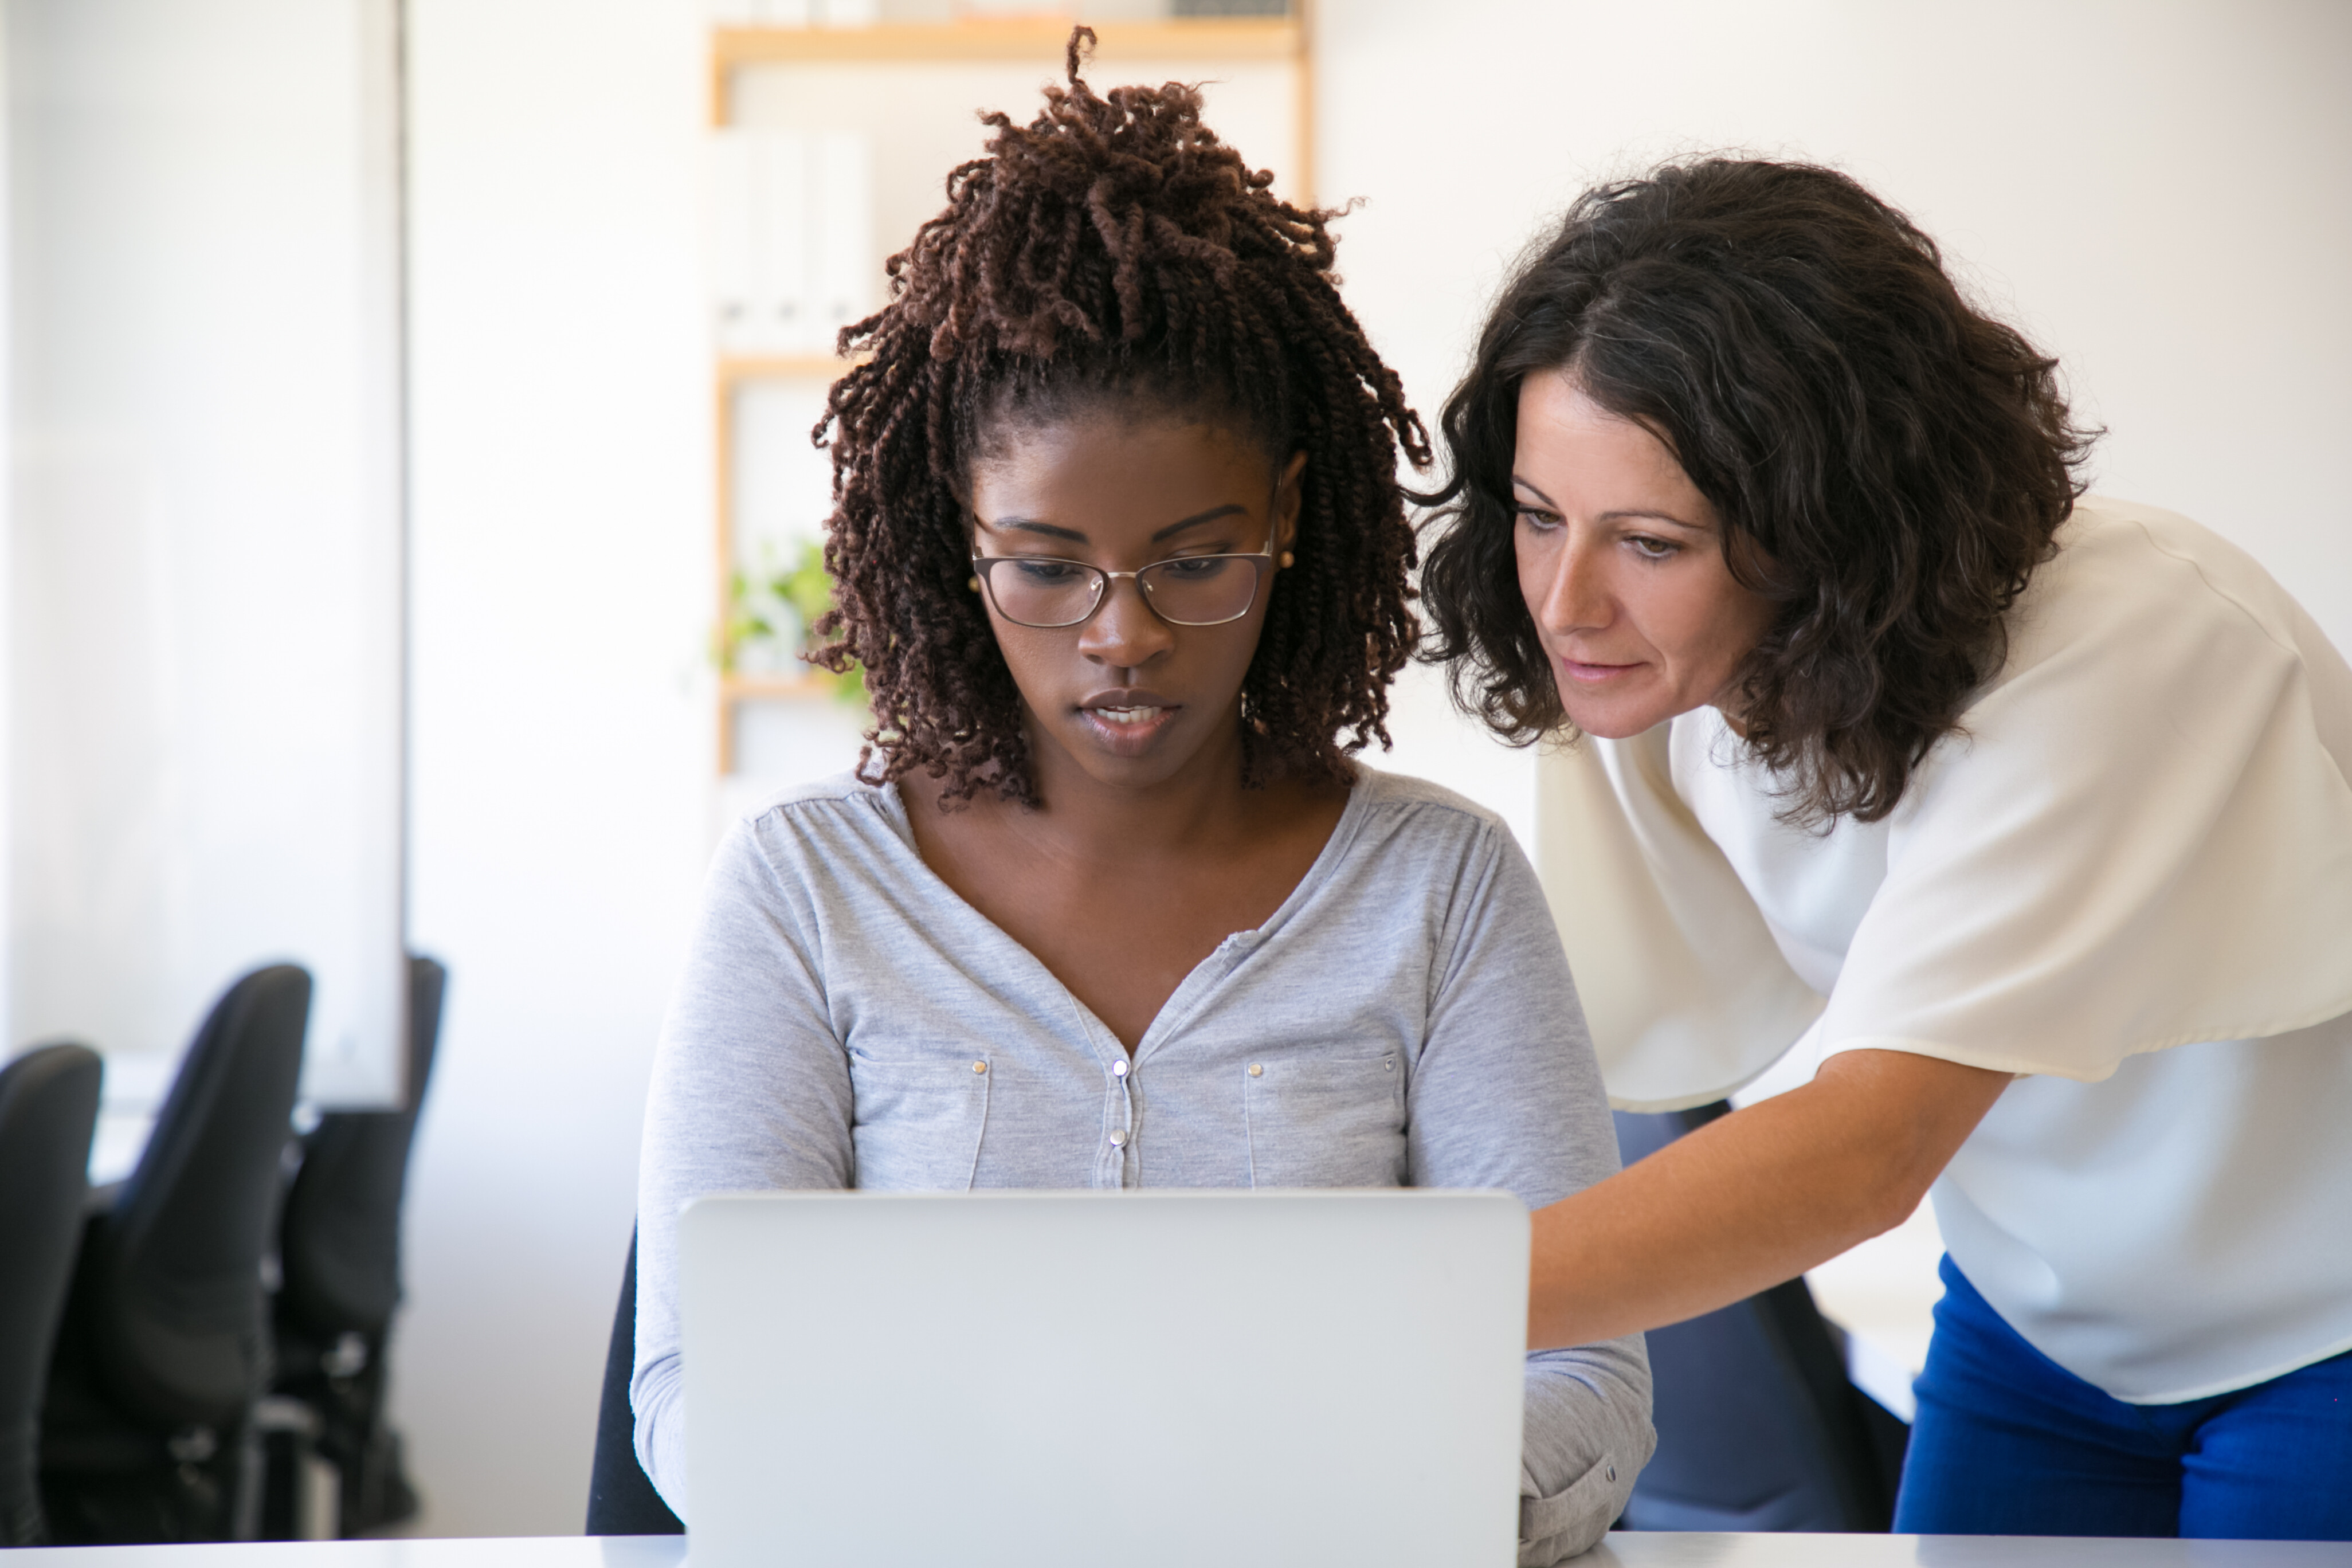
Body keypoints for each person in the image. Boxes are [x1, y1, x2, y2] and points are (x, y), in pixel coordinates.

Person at [632, 40, 1650, 1563]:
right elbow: (695, 1387)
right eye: (1047, 566)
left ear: (1291, 522)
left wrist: (1360, 1503)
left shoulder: (1443, 891)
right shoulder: (803, 893)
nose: (1124, 635)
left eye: (1194, 559)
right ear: (958, 538)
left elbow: (1585, 1377)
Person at [1418, 156, 2352, 1540]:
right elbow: (1615, 1052)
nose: (1565, 600)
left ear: (1833, 526)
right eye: (1540, 516)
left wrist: (1383, 1312)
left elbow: (1865, 1151)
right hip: (2042, 1330)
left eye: (1653, 542)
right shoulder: (1659, 676)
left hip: (2321, 1332)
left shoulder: (2135, 643)